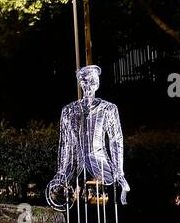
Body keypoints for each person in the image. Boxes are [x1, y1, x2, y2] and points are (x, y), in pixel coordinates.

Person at [48, 65, 129, 209]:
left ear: (97, 83)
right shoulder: (69, 110)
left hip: (101, 164)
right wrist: (61, 170)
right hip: (74, 167)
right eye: (85, 81)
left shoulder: (108, 108)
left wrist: (119, 171)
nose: (88, 85)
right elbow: (65, 143)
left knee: (105, 205)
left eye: (92, 81)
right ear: (80, 83)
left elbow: (116, 140)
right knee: (74, 205)